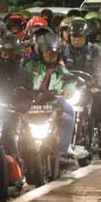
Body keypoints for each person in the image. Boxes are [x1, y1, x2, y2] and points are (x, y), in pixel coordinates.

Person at [62, 19, 101, 153]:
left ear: (86, 37)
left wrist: (97, 82)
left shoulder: (95, 50)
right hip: (70, 90)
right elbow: (57, 69)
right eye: (74, 37)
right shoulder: (62, 51)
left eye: (80, 37)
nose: (77, 40)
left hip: (92, 88)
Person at [23, 33, 78, 162]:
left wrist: (69, 89)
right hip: (29, 103)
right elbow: (20, 78)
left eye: (53, 53)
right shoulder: (30, 65)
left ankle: (62, 154)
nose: (50, 56)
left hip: (51, 103)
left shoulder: (60, 69)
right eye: (47, 52)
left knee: (68, 120)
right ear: (41, 52)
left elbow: (69, 80)